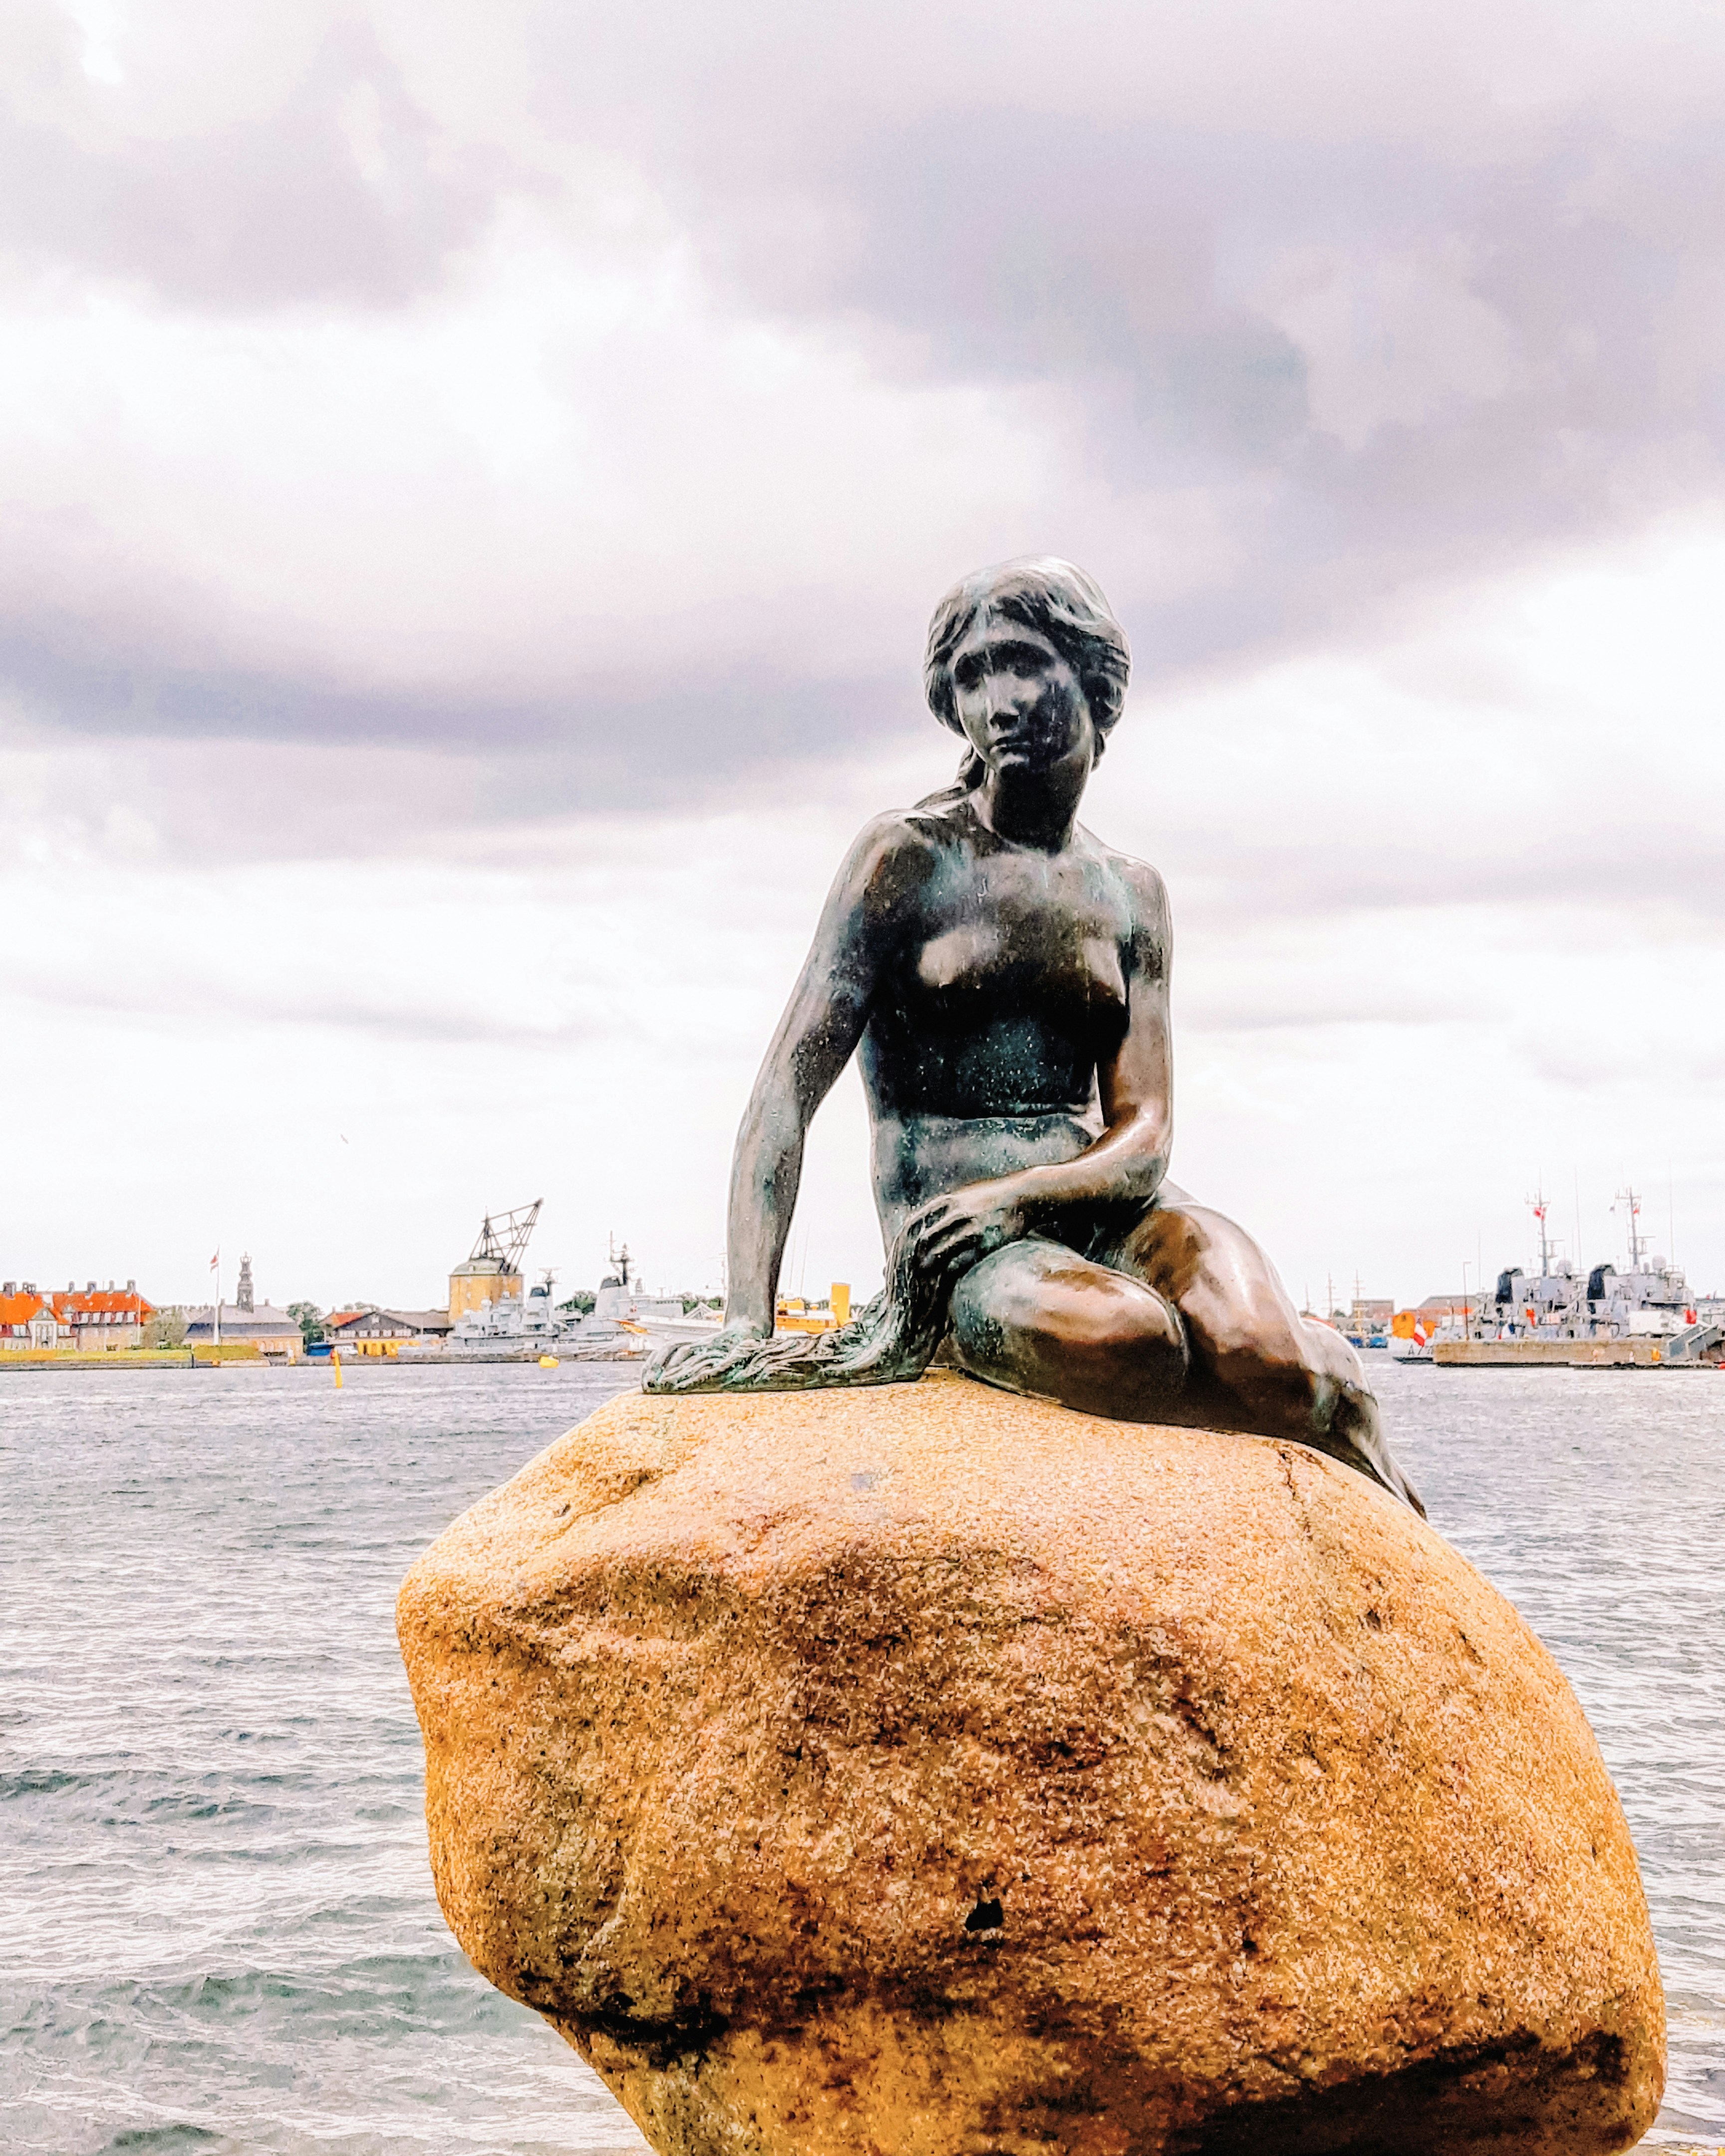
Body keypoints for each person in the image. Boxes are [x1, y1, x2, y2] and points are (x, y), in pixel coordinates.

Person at [645, 558, 1422, 1513]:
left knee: (1269, 1356)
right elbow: (783, 1096)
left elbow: (1146, 1128)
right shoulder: (906, 860)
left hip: (1109, 1206)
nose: (996, 701)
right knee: (1130, 1341)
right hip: (960, 1243)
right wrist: (743, 1319)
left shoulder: (1130, 892)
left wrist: (1028, 1195)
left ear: (1093, 678)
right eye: (970, 678)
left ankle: (1353, 1438)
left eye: (1020, 664)